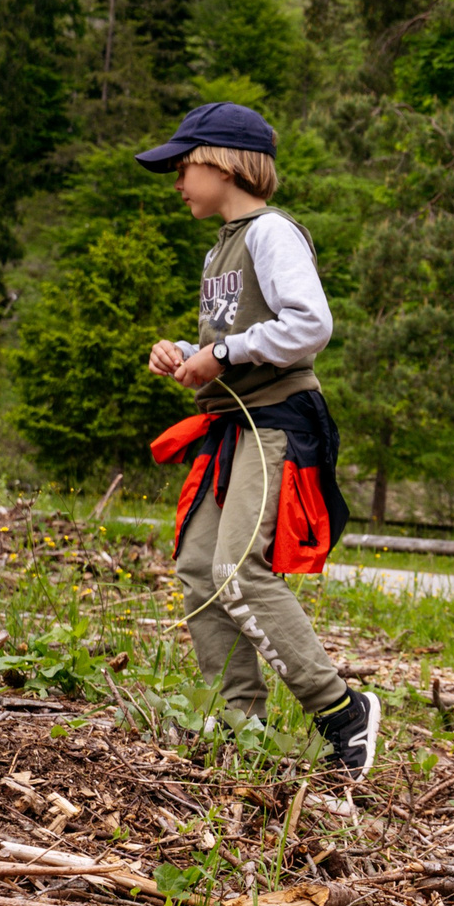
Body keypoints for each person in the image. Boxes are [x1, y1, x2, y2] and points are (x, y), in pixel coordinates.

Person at [139, 102, 380, 775]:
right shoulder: (222, 244)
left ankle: (343, 713)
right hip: (232, 423)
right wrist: (189, 353)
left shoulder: (271, 234)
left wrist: (223, 354)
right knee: (197, 568)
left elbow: (309, 326)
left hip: (276, 420)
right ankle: (237, 724)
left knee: (238, 569)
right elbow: (236, 342)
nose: (178, 181)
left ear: (223, 161)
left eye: (184, 166)